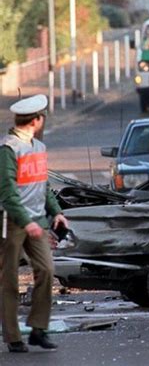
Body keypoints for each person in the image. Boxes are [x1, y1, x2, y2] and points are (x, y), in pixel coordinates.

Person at [0, 94, 68, 353]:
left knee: (47, 270)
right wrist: (26, 222)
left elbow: (43, 185)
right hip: (12, 221)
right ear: (36, 120)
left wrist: (56, 212)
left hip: (37, 220)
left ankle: (38, 329)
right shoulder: (8, 148)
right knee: (9, 280)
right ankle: (13, 337)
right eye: (43, 118)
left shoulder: (39, 148)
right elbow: (7, 191)